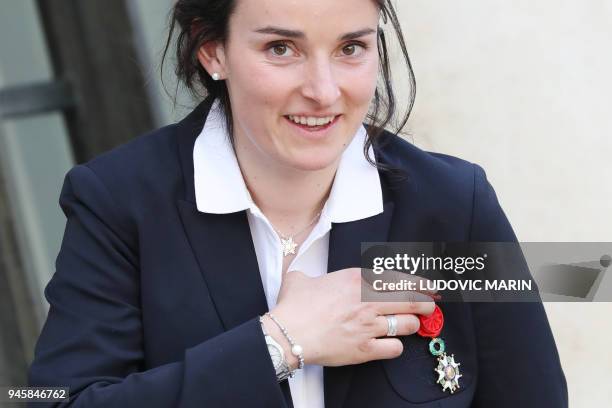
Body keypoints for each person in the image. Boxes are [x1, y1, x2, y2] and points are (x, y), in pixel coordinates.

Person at [28, 0, 567, 407]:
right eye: (281, 49)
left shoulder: (453, 202)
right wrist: (280, 343)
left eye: (350, 48)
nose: (324, 91)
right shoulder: (119, 201)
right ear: (212, 49)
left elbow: (546, 350)